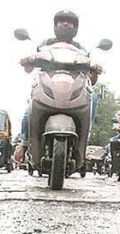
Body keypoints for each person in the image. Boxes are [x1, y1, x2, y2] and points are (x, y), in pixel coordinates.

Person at [14, 10, 102, 164]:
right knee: (30, 108)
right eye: (62, 21)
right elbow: (29, 69)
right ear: (56, 25)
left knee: (92, 96)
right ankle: (24, 142)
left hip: (74, 83)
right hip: (48, 81)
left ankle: (84, 141)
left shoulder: (81, 49)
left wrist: (96, 71)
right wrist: (27, 61)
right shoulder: (44, 44)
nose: (66, 24)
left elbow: (91, 79)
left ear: (75, 27)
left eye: (70, 22)